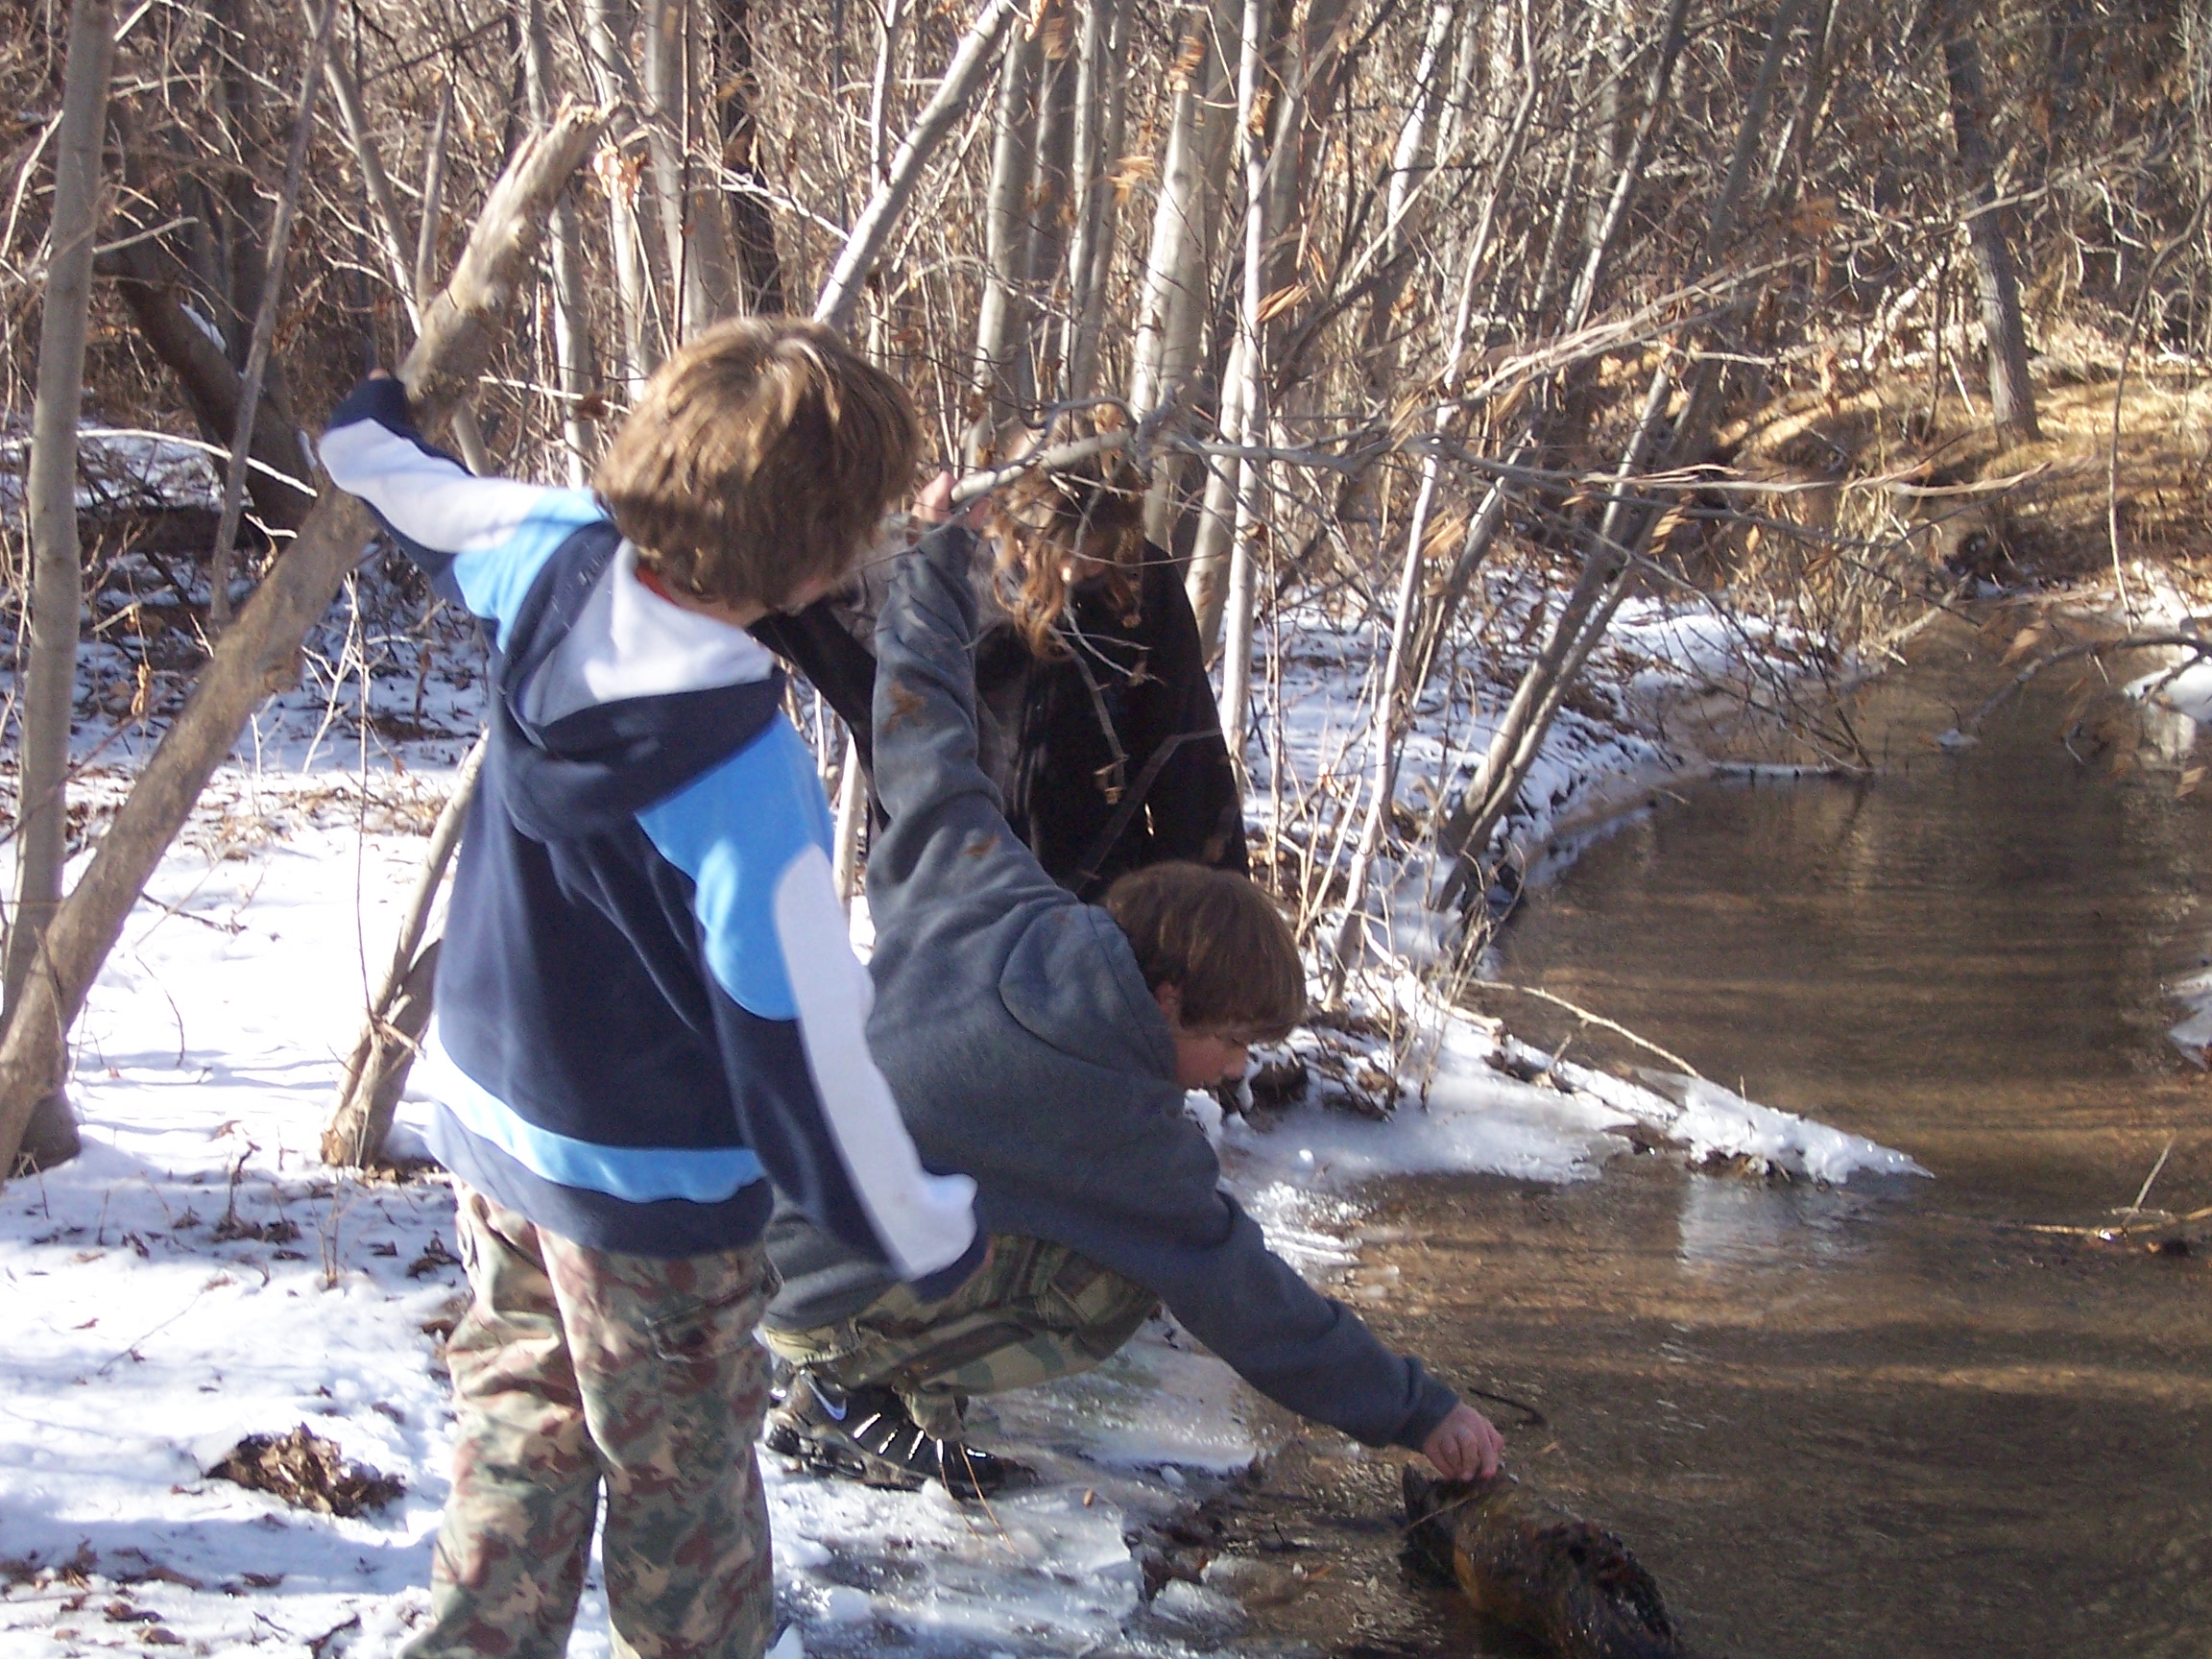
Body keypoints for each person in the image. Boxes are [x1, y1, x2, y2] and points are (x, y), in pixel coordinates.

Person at [319, 320, 982, 1659]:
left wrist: (362, 431)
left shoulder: (549, 549)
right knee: (684, 1495)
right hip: (656, 1203)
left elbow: (417, 495)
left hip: (501, 1130)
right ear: (809, 564)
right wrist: (914, 1219)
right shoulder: (747, 781)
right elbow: (804, 1053)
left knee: (522, 1423)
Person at [759, 478, 1503, 1500]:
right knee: (1105, 1290)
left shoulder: (983, 882)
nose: (1237, 1070)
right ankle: (842, 1388)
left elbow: (922, 717)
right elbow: (1254, 1306)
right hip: (792, 1291)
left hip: (742, 1218)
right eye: (1234, 1042)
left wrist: (936, 556)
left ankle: (858, 1357)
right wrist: (1423, 1411)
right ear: (1165, 1000)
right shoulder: (1120, 1133)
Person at [751, 417, 1246, 899]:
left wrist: (1203, 919)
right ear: (1011, 523)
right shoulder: (931, 574)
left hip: (1091, 910)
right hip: (945, 906)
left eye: (1097, 551)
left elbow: (1187, 760)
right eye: (1058, 550)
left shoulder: (1141, 588)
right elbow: (754, 590)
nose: (1077, 569)